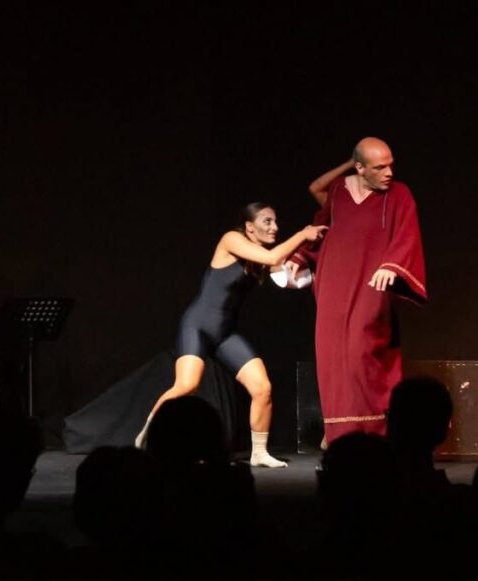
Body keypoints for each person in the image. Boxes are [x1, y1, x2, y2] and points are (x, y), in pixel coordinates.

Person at [134, 203, 327, 467]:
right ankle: (149, 433)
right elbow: (274, 258)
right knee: (187, 386)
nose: (275, 227)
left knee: (262, 388)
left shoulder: (261, 258)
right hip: (197, 326)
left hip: (225, 334)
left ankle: (259, 453)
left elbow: (291, 276)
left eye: (275, 222)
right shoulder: (232, 239)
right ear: (249, 226)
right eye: (267, 221)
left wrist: (314, 261)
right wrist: (303, 234)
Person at [287, 137, 426, 448]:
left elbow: (407, 232)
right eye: (380, 167)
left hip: (373, 283)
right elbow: (320, 228)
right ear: (360, 168)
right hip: (334, 283)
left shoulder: (399, 194)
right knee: (332, 354)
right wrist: (300, 257)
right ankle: (338, 433)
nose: (389, 172)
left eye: (391, 165)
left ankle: (375, 431)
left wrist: (392, 264)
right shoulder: (338, 191)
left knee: (362, 352)